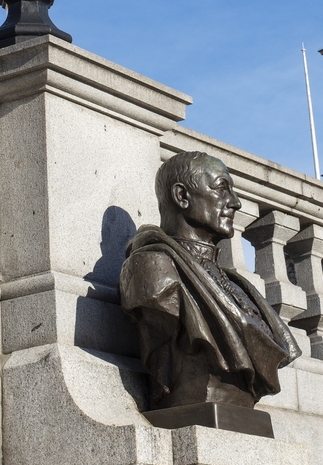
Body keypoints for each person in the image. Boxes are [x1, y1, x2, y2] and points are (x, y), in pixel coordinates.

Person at [119, 150, 299, 411]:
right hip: (194, 397)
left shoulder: (238, 284)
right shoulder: (154, 267)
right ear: (182, 196)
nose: (235, 202)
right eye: (221, 189)